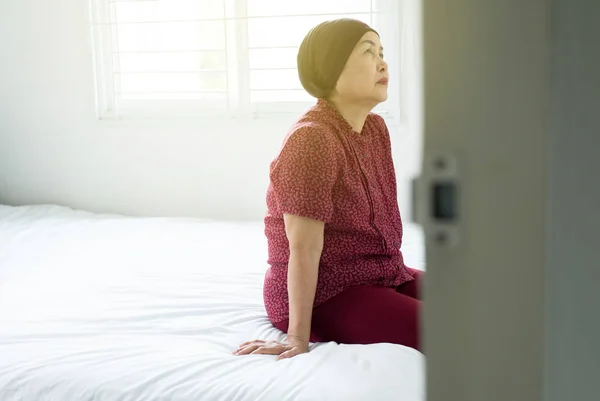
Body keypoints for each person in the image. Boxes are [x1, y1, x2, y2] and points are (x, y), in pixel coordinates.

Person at [233, 18, 423, 361]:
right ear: (330, 67)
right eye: (368, 51)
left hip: (385, 273)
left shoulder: (375, 128)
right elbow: (303, 248)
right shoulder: (312, 139)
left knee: (473, 304)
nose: (383, 62)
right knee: (450, 329)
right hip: (330, 292)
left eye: (382, 52)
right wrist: (297, 337)